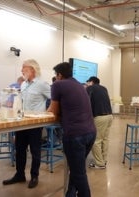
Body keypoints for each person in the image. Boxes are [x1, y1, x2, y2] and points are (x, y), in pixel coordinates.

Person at [48, 62, 96, 197]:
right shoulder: (80, 86)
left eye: (56, 75)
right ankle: (70, 194)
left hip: (75, 135)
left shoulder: (57, 85)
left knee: (78, 172)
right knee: (77, 168)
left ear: (59, 75)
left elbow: (53, 110)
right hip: (90, 132)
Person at [3, 59, 51, 189]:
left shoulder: (42, 84)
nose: (21, 70)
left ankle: (34, 176)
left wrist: (48, 113)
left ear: (32, 70)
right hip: (22, 122)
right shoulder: (23, 84)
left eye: (24, 68)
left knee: (35, 150)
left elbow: (54, 98)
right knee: (20, 149)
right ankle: (20, 174)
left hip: (35, 124)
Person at [86, 76, 113, 169]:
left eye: (88, 82)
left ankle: (99, 163)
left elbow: (86, 102)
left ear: (91, 82)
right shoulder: (104, 88)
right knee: (105, 139)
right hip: (110, 116)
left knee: (96, 141)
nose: (87, 84)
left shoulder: (90, 88)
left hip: (100, 117)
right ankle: (103, 160)